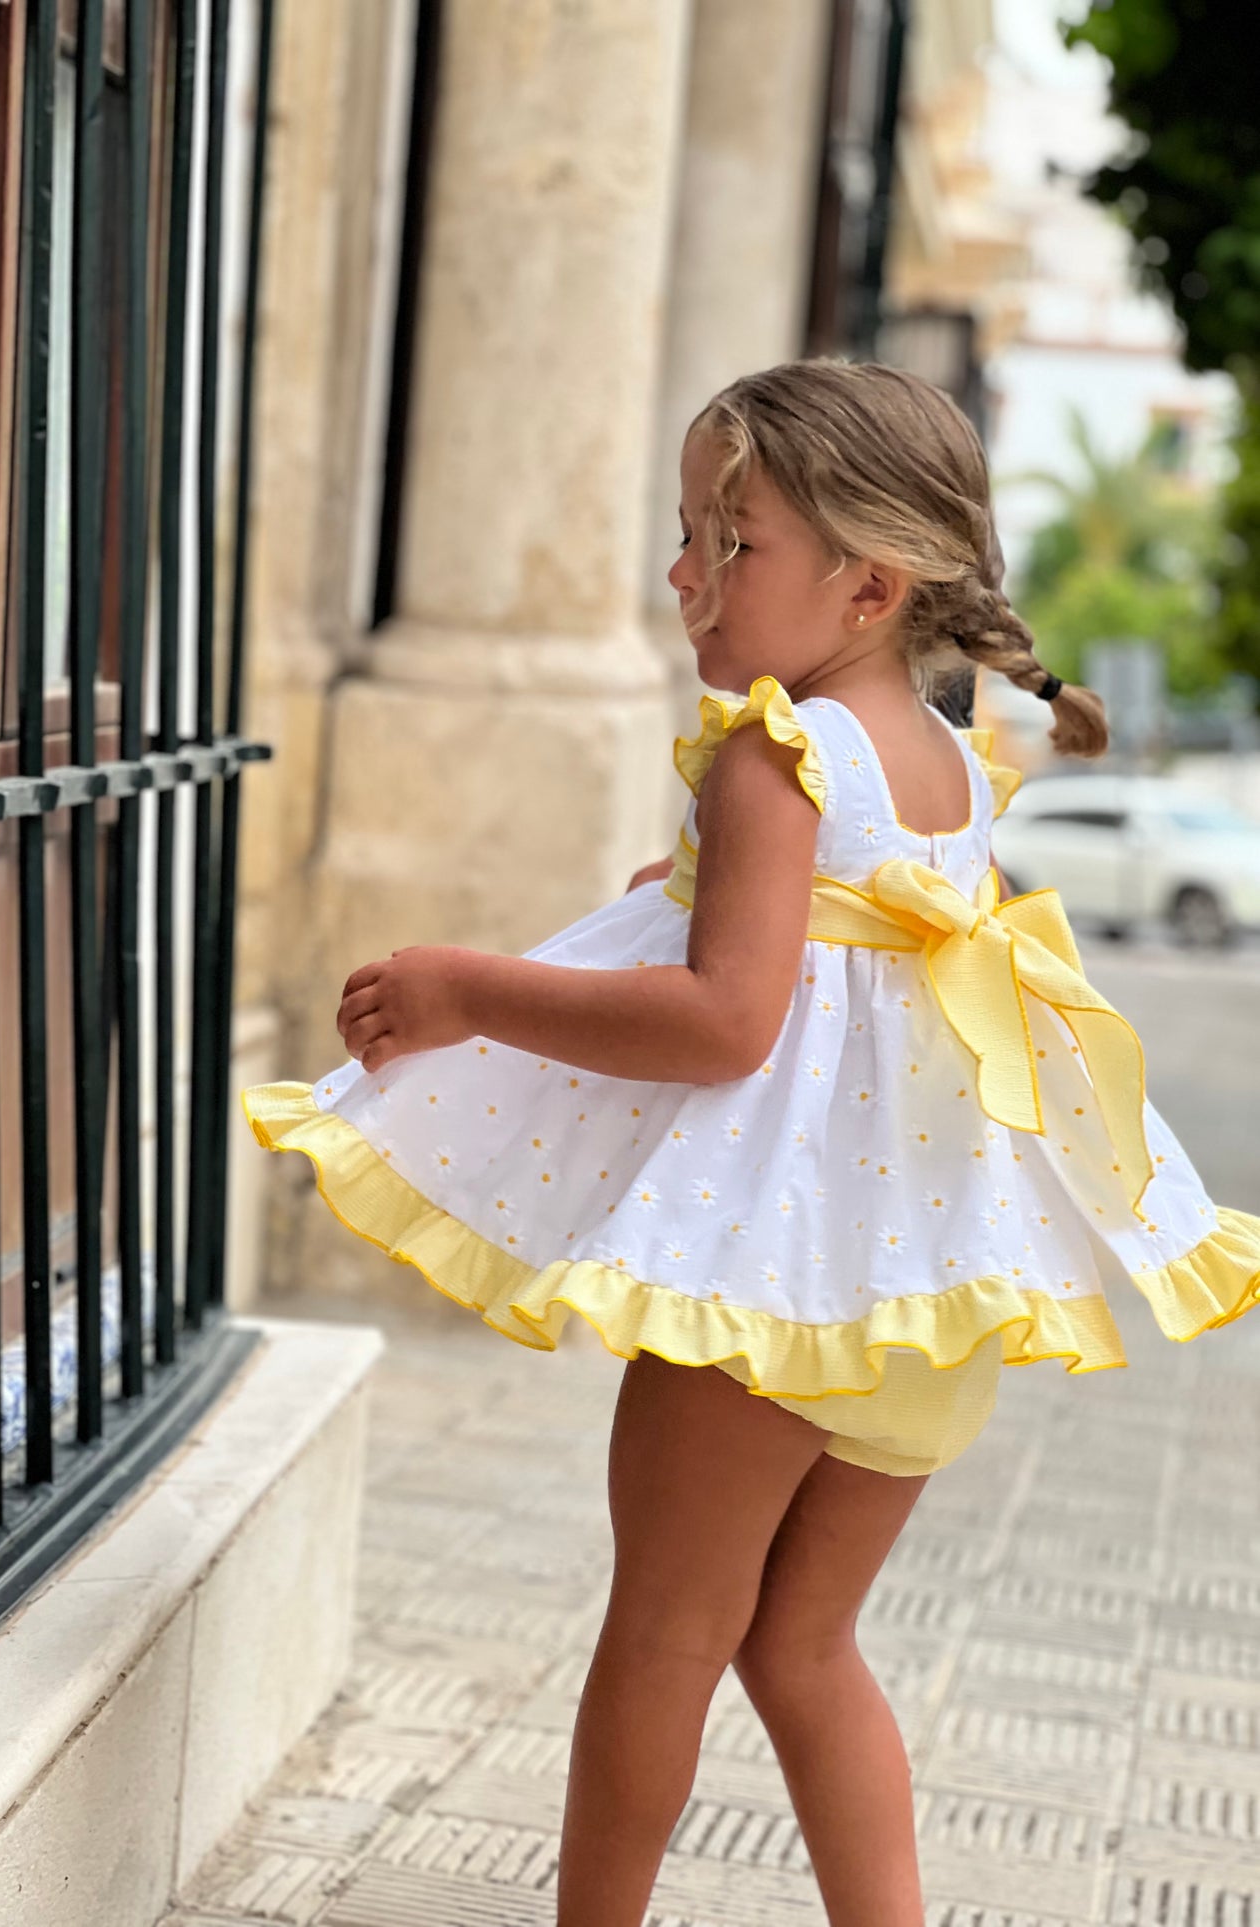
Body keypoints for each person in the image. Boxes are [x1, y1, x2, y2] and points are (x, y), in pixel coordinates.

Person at [244, 359, 1260, 1926]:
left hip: (780, 1286)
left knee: (661, 1633)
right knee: (799, 1646)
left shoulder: (772, 750)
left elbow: (729, 1022)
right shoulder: (942, 759)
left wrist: (465, 989)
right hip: (929, 1286)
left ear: (869, 583)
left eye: (732, 543)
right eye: (685, 534)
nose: (683, 577)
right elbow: (850, 961)